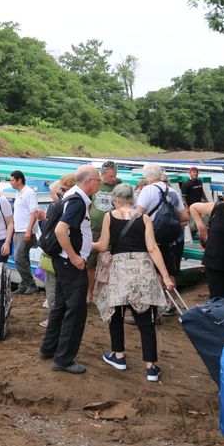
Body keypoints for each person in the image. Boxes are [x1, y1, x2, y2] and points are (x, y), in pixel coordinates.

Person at [94, 183, 175, 382]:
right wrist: (165, 276)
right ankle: (151, 367)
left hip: (120, 270)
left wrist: (88, 243)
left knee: (116, 313)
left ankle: (119, 356)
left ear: (116, 199)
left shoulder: (109, 216)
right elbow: (153, 248)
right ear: (132, 198)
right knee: (145, 319)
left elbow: (104, 245)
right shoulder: (145, 218)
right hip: (143, 269)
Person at [40, 165, 100, 375]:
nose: (100, 184)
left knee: (60, 306)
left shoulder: (72, 195)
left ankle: (49, 348)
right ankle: (63, 359)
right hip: (70, 263)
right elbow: (60, 230)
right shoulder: (77, 201)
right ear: (89, 181)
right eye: (98, 180)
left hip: (62, 261)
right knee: (76, 311)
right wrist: (75, 257)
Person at [135, 164, 188, 315]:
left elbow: (138, 215)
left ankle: (154, 306)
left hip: (152, 237)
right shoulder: (172, 191)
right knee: (168, 272)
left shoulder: (147, 190)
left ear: (147, 176)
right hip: (170, 239)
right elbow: (185, 217)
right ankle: (171, 304)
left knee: (151, 272)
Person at [38, 175, 75, 328]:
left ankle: (54, 319)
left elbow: (49, 232)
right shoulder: (73, 206)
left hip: (54, 253)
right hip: (68, 254)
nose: (51, 196)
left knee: (52, 286)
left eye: (52, 193)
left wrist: (43, 220)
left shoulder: (57, 207)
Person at [87, 161, 123, 291]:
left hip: (111, 230)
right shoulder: (96, 184)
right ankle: (89, 294)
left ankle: (105, 292)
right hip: (94, 229)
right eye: (110, 176)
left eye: (114, 175)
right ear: (103, 174)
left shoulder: (118, 185)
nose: (113, 179)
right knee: (90, 264)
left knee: (108, 262)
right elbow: (88, 204)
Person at [9, 170, 40, 295]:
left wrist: (29, 230)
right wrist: (16, 231)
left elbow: (35, 212)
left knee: (19, 257)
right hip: (20, 230)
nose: (11, 182)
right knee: (24, 257)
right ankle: (23, 285)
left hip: (26, 230)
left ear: (19, 180)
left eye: (12, 180)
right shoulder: (19, 193)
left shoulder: (29, 193)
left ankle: (31, 284)